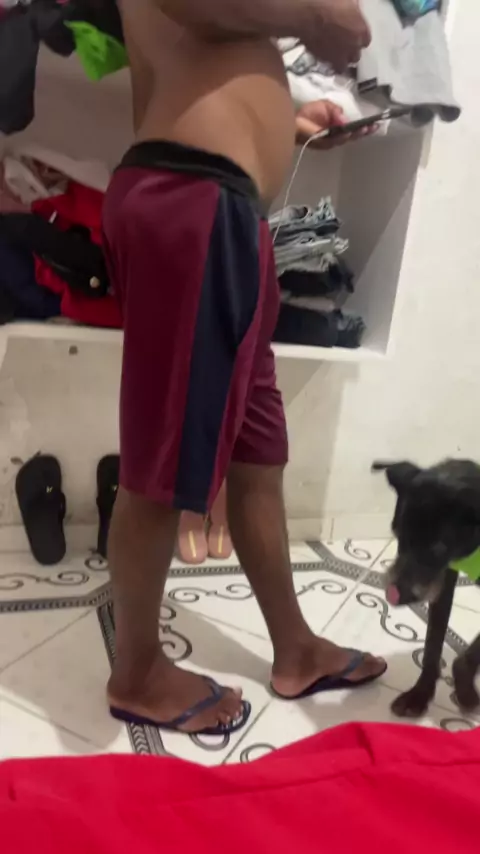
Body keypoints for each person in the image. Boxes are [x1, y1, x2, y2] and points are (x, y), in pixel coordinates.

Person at [102, 0, 387, 736]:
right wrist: (314, 18)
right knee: (163, 463)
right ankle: (136, 673)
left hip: (223, 208)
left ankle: (296, 647)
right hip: (193, 197)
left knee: (258, 447)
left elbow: (198, 55)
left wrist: (285, 123)